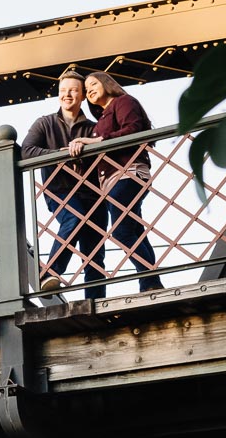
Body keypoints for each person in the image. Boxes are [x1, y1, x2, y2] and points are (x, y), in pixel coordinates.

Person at [68, 70, 164, 292]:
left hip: (129, 172)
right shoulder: (101, 118)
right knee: (134, 229)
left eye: (93, 84)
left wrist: (99, 141)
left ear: (106, 83)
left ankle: (149, 280)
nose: (89, 90)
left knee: (121, 231)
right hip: (113, 179)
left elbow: (133, 129)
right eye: (86, 89)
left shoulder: (123, 101)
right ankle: (151, 282)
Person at [21, 71, 107, 298]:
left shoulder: (93, 127)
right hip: (59, 190)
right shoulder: (44, 123)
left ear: (82, 96)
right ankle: (49, 274)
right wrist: (59, 154)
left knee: (95, 254)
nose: (67, 95)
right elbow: (26, 151)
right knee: (74, 218)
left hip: (93, 194)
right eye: (62, 91)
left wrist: (85, 149)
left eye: (73, 90)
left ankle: (96, 305)